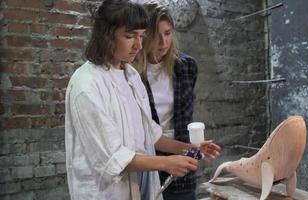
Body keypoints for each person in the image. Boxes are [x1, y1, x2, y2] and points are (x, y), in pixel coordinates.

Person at [65, 0, 221, 200]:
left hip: (138, 188)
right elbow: (113, 158)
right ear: (106, 36)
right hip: (105, 193)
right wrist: (166, 163)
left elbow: (151, 135)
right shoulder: (87, 85)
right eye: (130, 36)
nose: (139, 45)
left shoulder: (130, 75)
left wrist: (191, 149)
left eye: (141, 36)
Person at [134, 3, 219, 200]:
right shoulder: (132, 75)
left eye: (168, 33)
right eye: (156, 35)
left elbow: (184, 118)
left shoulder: (186, 67)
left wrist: (194, 149)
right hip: (147, 160)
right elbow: (144, 132)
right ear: (144, 36)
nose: (163, 42)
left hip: (183, 159)